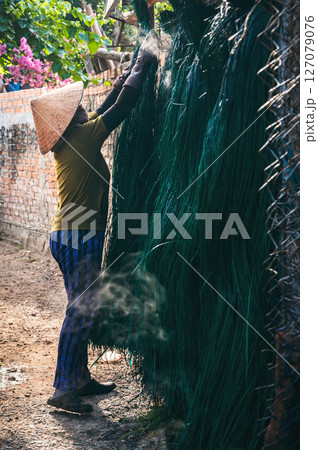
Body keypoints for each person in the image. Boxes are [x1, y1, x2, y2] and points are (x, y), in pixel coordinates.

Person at [30, 39, 158, 414]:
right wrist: (144, 62)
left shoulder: (74, 139)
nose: (83, 106)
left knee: (81, 305)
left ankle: (79, 378)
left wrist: (127, 72)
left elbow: (106, 105)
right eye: (77, 107)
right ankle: (63, 387)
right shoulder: (84, 136)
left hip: (70, 233)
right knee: (83, 308)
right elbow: (122, 107)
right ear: (72, 121)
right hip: (77, 234)